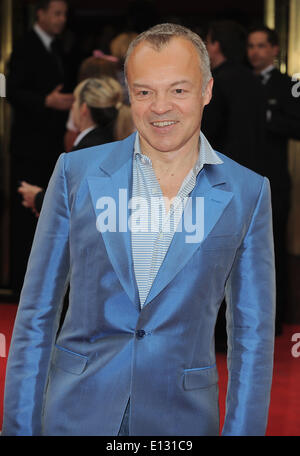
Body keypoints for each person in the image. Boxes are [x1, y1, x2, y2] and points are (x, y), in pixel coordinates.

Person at [2, 23, 275, 436]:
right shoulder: (76, 173)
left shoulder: (247, 192)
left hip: (181, 419)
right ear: (129, 93)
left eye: (179, 90)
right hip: (76, 414)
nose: (160, 107)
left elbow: (252, 336)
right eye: (145, 91)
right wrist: (19, 428)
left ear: (206, 90)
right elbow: (37, 314)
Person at [7, 0, 73, 295]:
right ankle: (21, 282)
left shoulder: (57, 47)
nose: (61, 20)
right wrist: (45, 101)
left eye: (64, 14)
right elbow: (11, 90)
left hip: (50, 145)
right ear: (41, 14)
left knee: (47, 211)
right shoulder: (24, 46)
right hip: (28, 145)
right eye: (57, 13)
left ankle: (42, 281)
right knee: (26, 214)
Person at [247, 25, 300, 334]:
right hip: (244, 179)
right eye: (251, 46)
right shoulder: (240, 81)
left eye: (261, 46)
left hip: (274, 180)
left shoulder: (287, 84)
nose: (255, 52)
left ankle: (275, 319)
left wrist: (265, 119)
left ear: (275, 49)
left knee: (273, 250)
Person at [18, 76, 134, 215]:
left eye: (75, 101)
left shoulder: (87, 150)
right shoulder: (108, 141)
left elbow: (74, 205)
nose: (72, 106)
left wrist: (38, 198)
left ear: (83, 108)